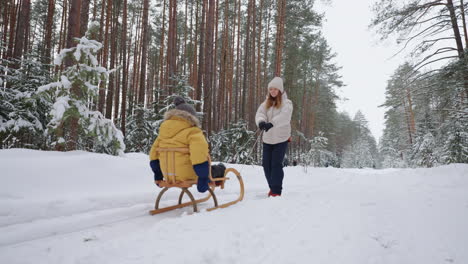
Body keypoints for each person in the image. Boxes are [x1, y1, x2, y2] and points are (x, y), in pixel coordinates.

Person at [149, 96, 225, 193]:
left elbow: (153, 155)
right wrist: (202, 178)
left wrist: (158, 174)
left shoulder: (162, 133)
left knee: (208, 168)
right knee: (218, 169)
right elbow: (199, 155)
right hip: (189, 175)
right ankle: (221, 169)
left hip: (168, 174)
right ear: (192, 117)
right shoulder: (193, 132)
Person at [255, 77, 293, 197]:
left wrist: (272, 123)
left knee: (276, 164)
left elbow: (285, 117)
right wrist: (261, 122)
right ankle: (272, 187)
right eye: (270, 89)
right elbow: (260, 113)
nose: (272, 91)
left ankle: (276, 191)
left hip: (281, 139)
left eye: (275, 89)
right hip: (268, 139)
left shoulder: (287, 103)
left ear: (280, 90)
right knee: (266, 165)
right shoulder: (266, 103)